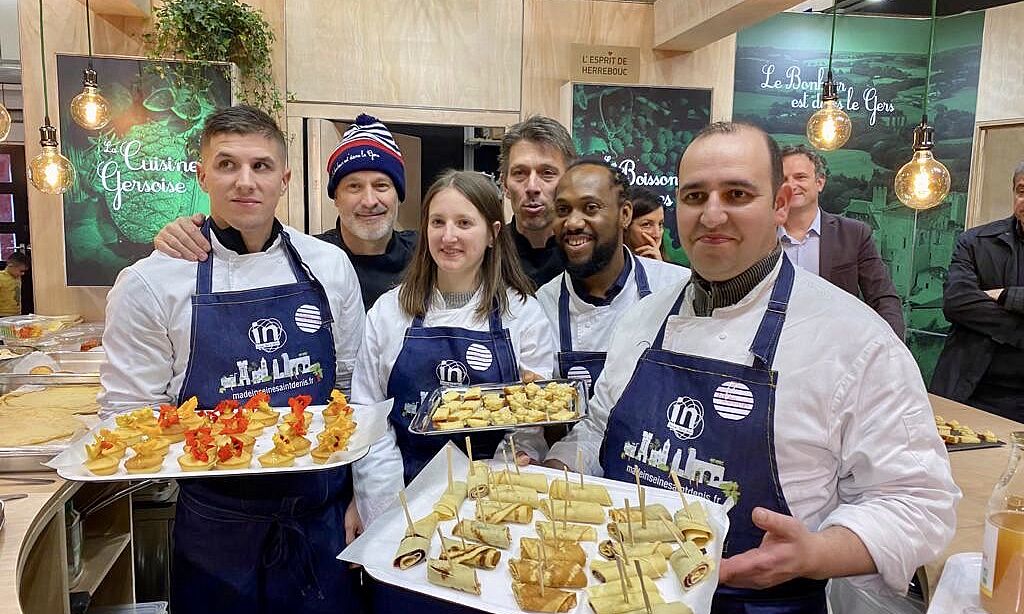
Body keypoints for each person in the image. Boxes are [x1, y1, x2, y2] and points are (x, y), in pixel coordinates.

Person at [545, 122, 958, 613]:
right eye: (695, 196)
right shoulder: (642, 319)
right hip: (621, 592)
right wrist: (553, 473)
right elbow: (597, 430)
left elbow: (917, 503)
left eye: (737, 194)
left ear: (780, 203)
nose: (712, 214)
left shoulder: (855, 340)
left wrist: (816, 554)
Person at [99, 105, 366, 614]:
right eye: (227, 165)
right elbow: (127, 415)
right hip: (215, 532)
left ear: (284, 179)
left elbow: (352, 388)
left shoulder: (329, 266)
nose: (245, 181)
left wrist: (362, 494)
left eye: (261, 166)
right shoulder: (149, 283)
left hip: (320, 520)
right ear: (202, 176)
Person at [351, 169, 556, 526]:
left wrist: (490, 495)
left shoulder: (524, 314)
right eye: (438, 222)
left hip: (493, 500)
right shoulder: (388, 312)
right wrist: (391, 514)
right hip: (402, 495)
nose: (448, 236)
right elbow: (371, 421)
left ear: (493, 233)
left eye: (464, 223)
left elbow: (527, 429)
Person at [153, 113, 415, 311]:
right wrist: (178, 234)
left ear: (399, 194)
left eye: (381, 185)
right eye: (354, 186)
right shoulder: (316, 259)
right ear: (335, 197)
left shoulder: (427, 253)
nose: (369, 200)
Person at [536, 159, 688, 397]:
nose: (573, 223)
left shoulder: (676, 288)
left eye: (591, 208)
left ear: (624, 214)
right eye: (563, 210)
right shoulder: (541, 306)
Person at [779, 145, 904, 338]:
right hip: (772, 347)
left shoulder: (854, 234)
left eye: (800, 177)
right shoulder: (757, 236)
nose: (791, 185)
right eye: (783, 179)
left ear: (819, 182)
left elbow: (883, 298)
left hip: (834, 347)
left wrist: (892, 348)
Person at [931, 159, 1024, 418]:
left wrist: (1006, 295)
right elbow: (957, 302)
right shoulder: (976, 242)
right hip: (971, 392)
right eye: (1022, 191)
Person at [499, 115, 577, 287]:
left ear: (569, 181)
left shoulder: (587, 255)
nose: (532, 187)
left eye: (547, 173)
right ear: (505, 185)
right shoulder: (486, 254)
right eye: (520, 173)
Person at [624, 185, 667, 261]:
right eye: (646, 224)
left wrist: (659, 265)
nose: (657, 235)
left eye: (660, 224)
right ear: (626, 223)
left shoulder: (673, 268)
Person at [0, 252, 29, 316]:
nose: (23, 274)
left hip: (17, 314)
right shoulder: (1, 277)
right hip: (3, 315)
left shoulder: (18, 277)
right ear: (10, 265)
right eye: (21, 271)